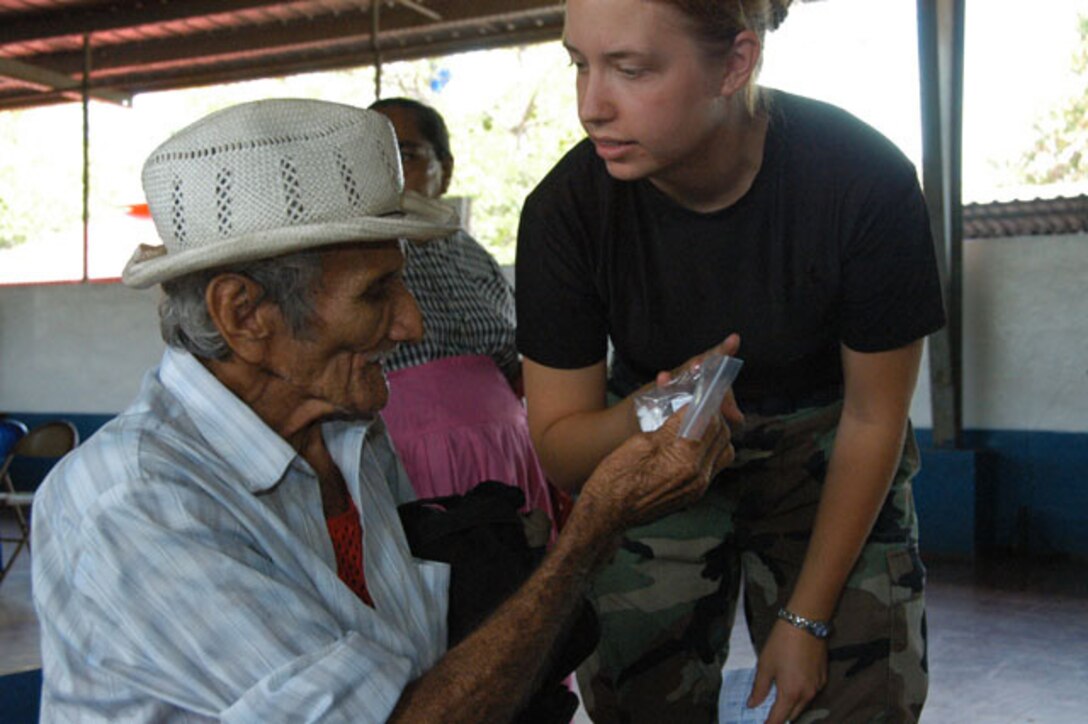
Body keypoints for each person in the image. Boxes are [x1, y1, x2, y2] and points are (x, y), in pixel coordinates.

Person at [30, 98, 735, 723]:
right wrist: (589, 535)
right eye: (377, 293)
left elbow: (414, 665)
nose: (411, 326)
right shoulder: (135, 502)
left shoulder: (346, 433)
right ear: (245, 313)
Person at [515, 1, 946, 723]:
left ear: (735, 64)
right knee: (637, 693)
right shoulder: (566, 214)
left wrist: (806, 622)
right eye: (579, 65)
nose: (592, 106)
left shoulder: (862, 181)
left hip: (832, 459)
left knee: (859, 699)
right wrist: (657, 407)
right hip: (655, 451)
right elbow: (562, 449)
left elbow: (875, 418)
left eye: (630, 68)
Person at [367, 97, 557, 526]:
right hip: (405, 454)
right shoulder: (355, 258)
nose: (389, 172)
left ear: (445, 170)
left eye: (407, 155)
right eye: (373, 157)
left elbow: (514, 358)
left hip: (505, 447)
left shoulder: (471, 253)